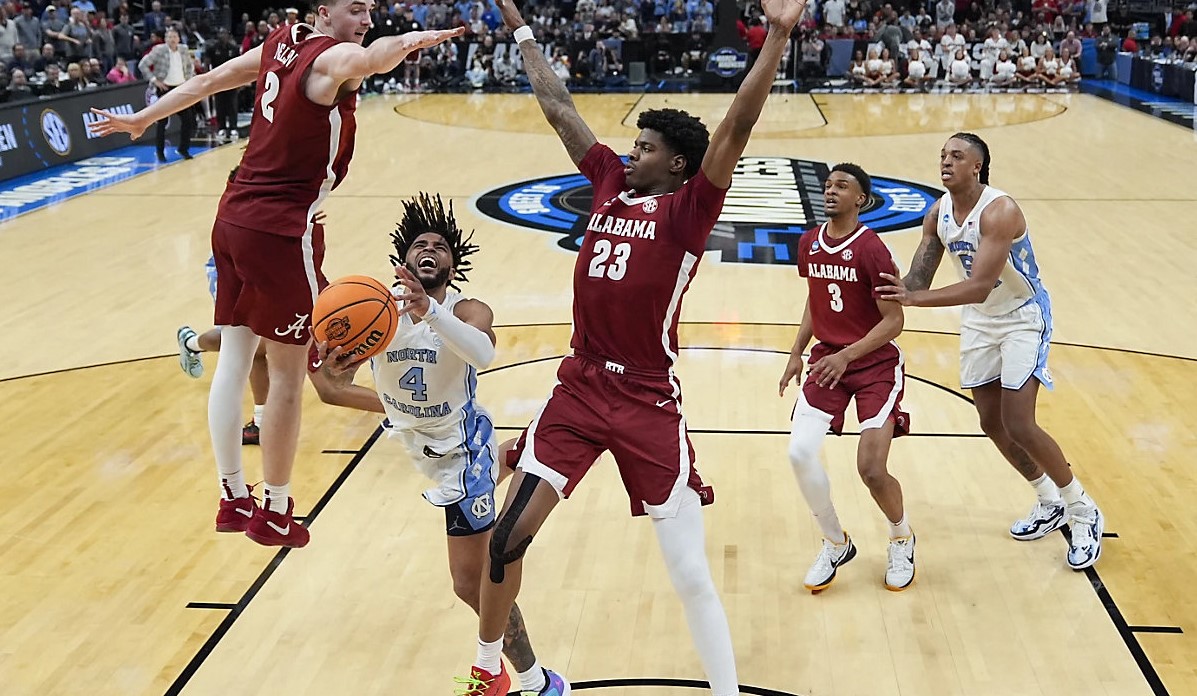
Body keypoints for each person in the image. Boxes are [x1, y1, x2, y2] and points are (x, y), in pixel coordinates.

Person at [457, 0, 810, 692]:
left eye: (645, 147)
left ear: (678, 165)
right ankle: (492, 671)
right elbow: (560, 110)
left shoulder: (688, 209)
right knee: (505, 542)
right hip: (579, 387)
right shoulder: (611, 187)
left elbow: (736, 124)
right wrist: (521, 28)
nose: (630, 153)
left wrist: (777, 35)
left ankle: (726, 690)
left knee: (687, 573)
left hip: (648, 398)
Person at [89, 1, 463, 549]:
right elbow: (375, 59)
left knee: (238, 356)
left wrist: (144, 118)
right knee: (289, 373)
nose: (365, 18)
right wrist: (409, 42)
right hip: (280, 230)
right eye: (355, 8)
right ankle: (277, 510)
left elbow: (212, 80)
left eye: (370, 10)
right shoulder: (331, 59)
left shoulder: (278, 44)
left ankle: (232, 496)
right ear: (324, 11)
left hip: (233, 217)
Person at [315, 193, 569, 696]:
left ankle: (521, 678)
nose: (429, 248)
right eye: (419, 244)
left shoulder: (466, 308)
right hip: (421, 448)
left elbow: (483, 353)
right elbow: (330, 391)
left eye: (440, 245)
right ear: (403, 259)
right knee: (474, 584)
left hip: (462, 448)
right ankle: (532, 679)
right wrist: (329, 371)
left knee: (470, 583)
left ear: (453, 264)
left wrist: (431, 311)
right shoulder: (376, 313)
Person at [876, 133, 1105, 570]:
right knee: (989, 420)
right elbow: (919, 279)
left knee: (1020, 422)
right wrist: (890, 287)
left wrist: (915, 301)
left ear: (977, 167)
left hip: (1021, 316)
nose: (946, 162)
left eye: (956, 156)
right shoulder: (938, 212)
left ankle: (1081, 509)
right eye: (943, 155)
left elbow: (979, 285)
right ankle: (1047, 499)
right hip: (982, 321)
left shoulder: (1000, 211)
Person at [778, 164, 913, 593]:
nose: (831, 191)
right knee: (799, 453)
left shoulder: (872, 250)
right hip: (827, 360)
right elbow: (814, 301)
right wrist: (797, 352)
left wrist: (848, 355)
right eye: (828, 185)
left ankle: (901, 537)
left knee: (871, 469)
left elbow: (895, 320)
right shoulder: (809, 243)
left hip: (874, 364)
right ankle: (835, 542)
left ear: (861, 199)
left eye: (842, 186)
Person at [138, 28, 196, 162]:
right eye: (169, 37)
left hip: (181, 88)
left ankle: (183, 149)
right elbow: (143, 65)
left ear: (179, 39)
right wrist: (154, 80)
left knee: (188, 120)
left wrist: (188, 80)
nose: (172, 39)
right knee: (162, 122)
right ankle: (160, 152)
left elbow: (189, 66)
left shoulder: (183, 49)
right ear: (165, 39)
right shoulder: (159, 50)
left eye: (174, 37)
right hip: (164, 88)